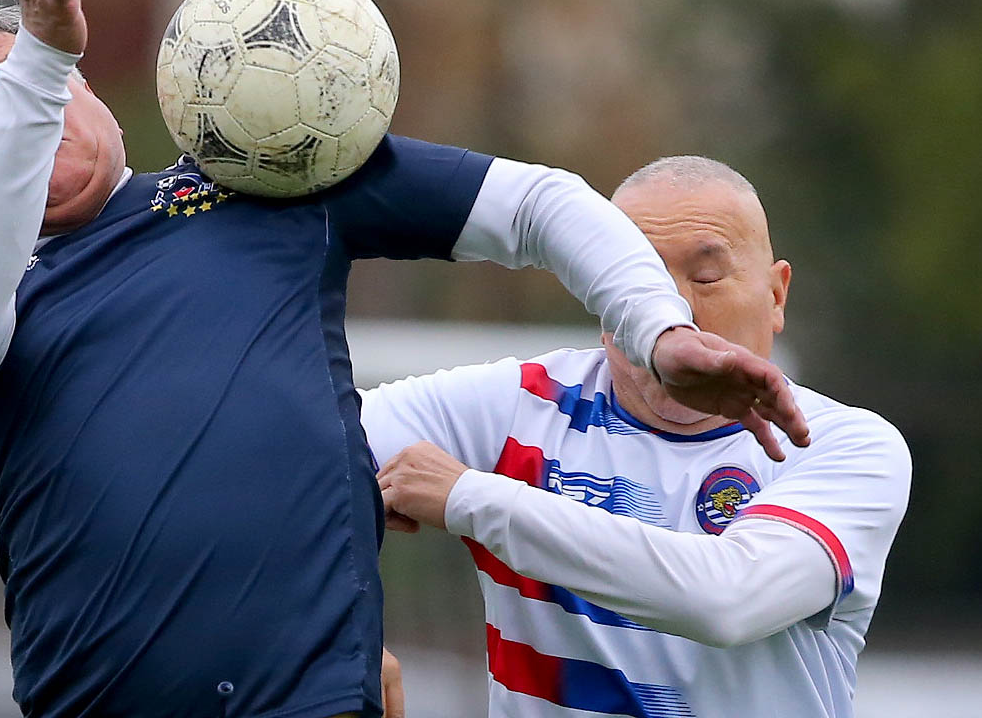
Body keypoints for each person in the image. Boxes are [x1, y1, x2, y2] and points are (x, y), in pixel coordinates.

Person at [0, 0, 809, 718]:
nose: (21, 114)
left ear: (94, 98)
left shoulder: (261, 176)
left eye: (36, 84)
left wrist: (658, 331)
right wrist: (39, 60)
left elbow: (537, 203)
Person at [366, 156, 911, 718]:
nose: (673, 309)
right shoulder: (516, 404)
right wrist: (335, 637)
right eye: (638, 279)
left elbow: (729, 598)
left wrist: (469, 497)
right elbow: (305, 452)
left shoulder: (848, 446)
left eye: (706, 277)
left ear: (776, 295)